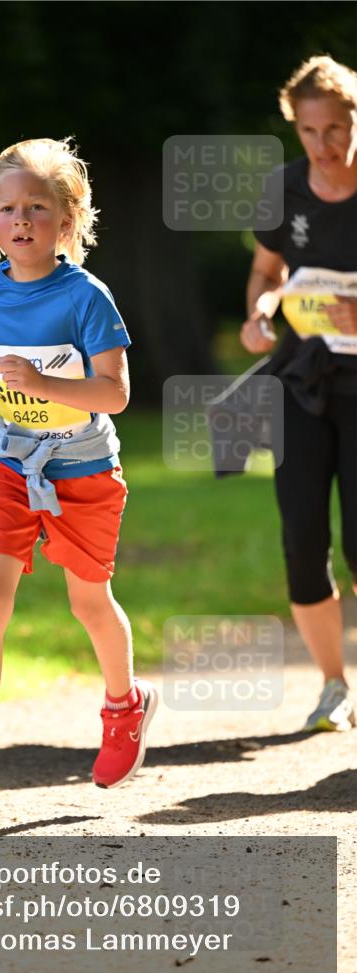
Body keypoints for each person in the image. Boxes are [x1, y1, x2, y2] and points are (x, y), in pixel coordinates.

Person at [0, 137, 157, 810]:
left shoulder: (87, 297)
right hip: (6, 460)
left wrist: (46, 386)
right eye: (6, 209)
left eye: (35, 207)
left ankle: (124, 703)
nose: (20, 220)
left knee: (87, 601)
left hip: (81, 468)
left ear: (68, 218)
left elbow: (114, 392)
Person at [240, 55, 357, 732]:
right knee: (300, 538)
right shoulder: (281, 190)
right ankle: (331, 687)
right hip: (302, 383)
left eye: (337, 128)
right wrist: (258, 314)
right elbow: (265, 271)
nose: (325, 145)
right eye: (310, 131)